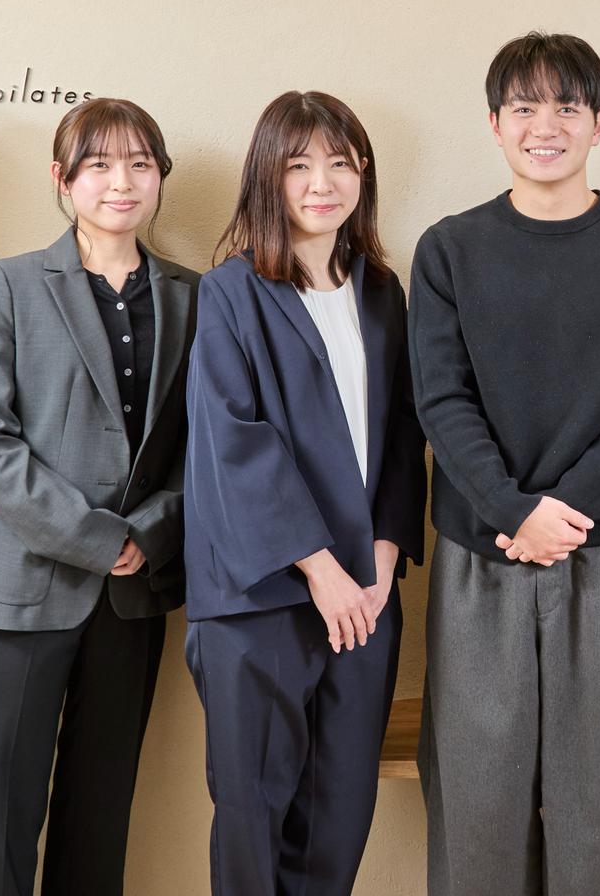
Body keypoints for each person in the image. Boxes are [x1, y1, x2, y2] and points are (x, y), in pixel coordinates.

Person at [410, 32, 600, 896]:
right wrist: (513, 510)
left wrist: (563, 512)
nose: (546, 126)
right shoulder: (449, 248)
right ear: (495, 124)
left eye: (567, 106)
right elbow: (441, 398)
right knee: (477, 809)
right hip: (480, 555)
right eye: (525, 107)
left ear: (599, 122)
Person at [0, 97, 196, 896]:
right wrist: (95, 537)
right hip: (26, 585)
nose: (121, 182)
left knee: (102, 803)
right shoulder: (9, 284)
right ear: (62, 179)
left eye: (139, 164)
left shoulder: (195, 296)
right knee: (6, 803)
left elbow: (207, 446)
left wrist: (149, 534)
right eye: (99, 165)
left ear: (159, 177)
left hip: (135, 589)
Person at [183, 90, 427, 895]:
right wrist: (321, 570)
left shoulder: (384, 294)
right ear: (269, 178)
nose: (322, 183)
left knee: (337, 820)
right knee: (253, 823)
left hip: (366, 597)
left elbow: (403, 438)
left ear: (364, 173)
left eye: (340, 163)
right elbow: (235, 443)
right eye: (299, 166)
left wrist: (380, 567)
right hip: (260, 598)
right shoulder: (230, 292)